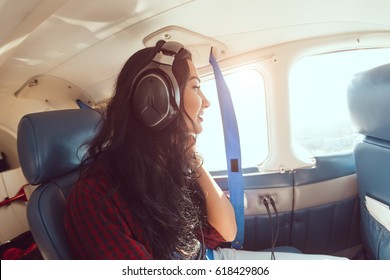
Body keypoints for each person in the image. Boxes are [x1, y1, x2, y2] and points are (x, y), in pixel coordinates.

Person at [64, 40, 346, 260]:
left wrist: (194, 163)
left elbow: (227, 230)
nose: (207, 102)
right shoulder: (95, 198)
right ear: (158, 99)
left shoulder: (171, 165)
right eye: (196, 87)